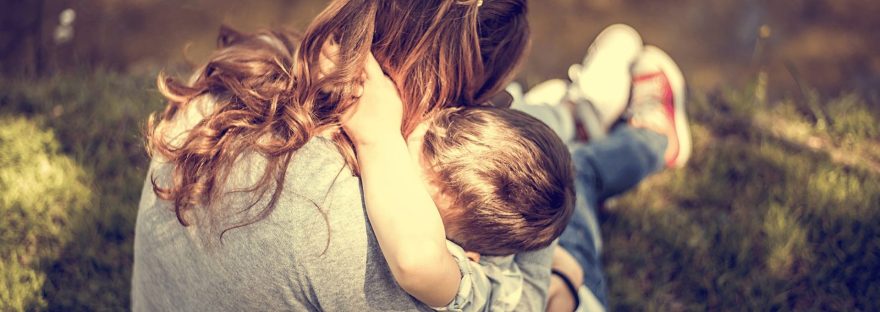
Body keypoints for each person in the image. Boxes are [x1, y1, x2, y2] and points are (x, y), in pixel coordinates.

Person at [131, 0, 553, 311]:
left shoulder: (247, 65)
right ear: (453, 96)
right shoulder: (373, 238)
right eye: (484, 103)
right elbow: (524, 300)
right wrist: (558, 276)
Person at [341, 52, 575, 310]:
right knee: (571, 158)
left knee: (588, 171)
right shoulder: (468, 140)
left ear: (467, 257)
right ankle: (570, 111)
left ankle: (580, 112)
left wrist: (378, 137)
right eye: (426, 135)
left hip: (559, 289)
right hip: (545, 247)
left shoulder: (479, 288)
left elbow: (417, 264)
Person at [507, 24, 692, 311]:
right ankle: (653, 140)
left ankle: (569, 117)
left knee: (541, 140)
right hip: (572, 296)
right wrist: (563, 276)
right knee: (570, 169)